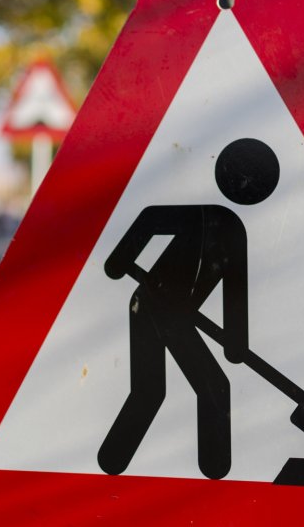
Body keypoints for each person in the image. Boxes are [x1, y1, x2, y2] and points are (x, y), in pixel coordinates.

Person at [97, 138, 280, 479]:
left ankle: (112, 461)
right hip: (153, 304)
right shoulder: (207, 217)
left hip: (167, 310)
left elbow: (234, 293)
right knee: (204, 386)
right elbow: (150, 220)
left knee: (151, 390)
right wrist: (118, 260)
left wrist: (235, 344)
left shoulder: (231, 229)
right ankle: (213, 474)